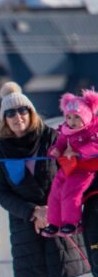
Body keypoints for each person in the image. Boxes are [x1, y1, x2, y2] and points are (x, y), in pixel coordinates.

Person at [0, 83, 95, 277]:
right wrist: (33, 212)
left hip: (59, 215)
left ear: (31, 113)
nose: (18, 118)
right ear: (5, 120)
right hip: (26, 223)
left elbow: (70, 172)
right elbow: (2, 193)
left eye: (23, 112)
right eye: (11, 114)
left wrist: (51, 210)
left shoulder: (53, 138)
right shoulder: (1, 151)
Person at [41, 90, 98, 237]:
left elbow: (95, 145)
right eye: (69, 117)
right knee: (55, 192)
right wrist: (55, 151)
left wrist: (79, 153)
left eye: (76, 117)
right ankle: (53, 223)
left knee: (70, 192)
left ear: (86, 117)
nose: (72, 121)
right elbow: (59, 144)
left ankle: (71, 223)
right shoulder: (66, 131)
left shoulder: (93, 129)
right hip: (68, 167)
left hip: (85, 169)